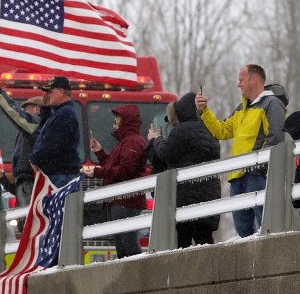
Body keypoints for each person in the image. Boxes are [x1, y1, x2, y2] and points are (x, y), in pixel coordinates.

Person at [195, 64, 287, 237]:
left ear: (254, 79)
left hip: (256, 175)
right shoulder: (241, 109)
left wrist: (258, 167)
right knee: (243, 229)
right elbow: (221, 130)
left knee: (265, 226)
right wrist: (204, 111)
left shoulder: (272, 104)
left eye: (241, 80)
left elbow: (275, 138)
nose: (238, 84)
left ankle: (265, 259)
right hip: (237, 177)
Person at [147, 92, 221, 248]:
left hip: (186, 197)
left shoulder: (182, 130)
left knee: (183, 243)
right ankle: (210, 271)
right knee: (205, 242)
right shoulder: (209, 129)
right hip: (209, 196)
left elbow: (165, 153)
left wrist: (156, 139)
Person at [83, 104, 148, 258]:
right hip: (120, 200)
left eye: (116, 120)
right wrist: (99, 153)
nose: (114, 124)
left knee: (128, 244)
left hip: (125, 201)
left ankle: (137, 276)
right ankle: (129, 276)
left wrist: (97, 172)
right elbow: (115, 168)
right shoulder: (126, 142)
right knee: (122, 245)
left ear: (124, 121)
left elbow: (124, 171)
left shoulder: (132, 142)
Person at [0, 74, 42, 209]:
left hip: (31, 185)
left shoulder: (36, 127)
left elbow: (14, 113)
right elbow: (20, 177)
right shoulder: (25, 134)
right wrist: (3, 178)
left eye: (26, 109)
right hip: (25, 186)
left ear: (36, 109)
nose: (23, 112)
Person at [29, 76, 81, 188]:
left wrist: (34, 159)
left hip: (61, 176)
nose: (47, 95)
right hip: (59, 175)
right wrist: (45, 108)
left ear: (61, 92)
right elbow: (44, 131)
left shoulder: (65, 114)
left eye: (50, 91)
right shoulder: (60, 113)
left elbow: (52, 144)